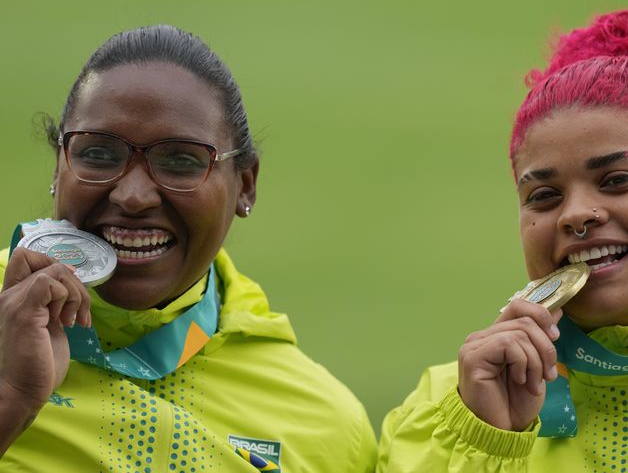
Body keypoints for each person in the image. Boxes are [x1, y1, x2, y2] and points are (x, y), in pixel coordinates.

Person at [376, 10, 628, 472]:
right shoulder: (446, 410)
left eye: (617, 180)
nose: (574, 214)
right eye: (544, 195)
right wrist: (487, 445)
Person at [0, 25, 377, 472]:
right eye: (98, 153)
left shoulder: (326, 428)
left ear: (245, 186)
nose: (133, 196)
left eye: (181, 160)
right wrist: (11, 399)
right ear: (58, 166)